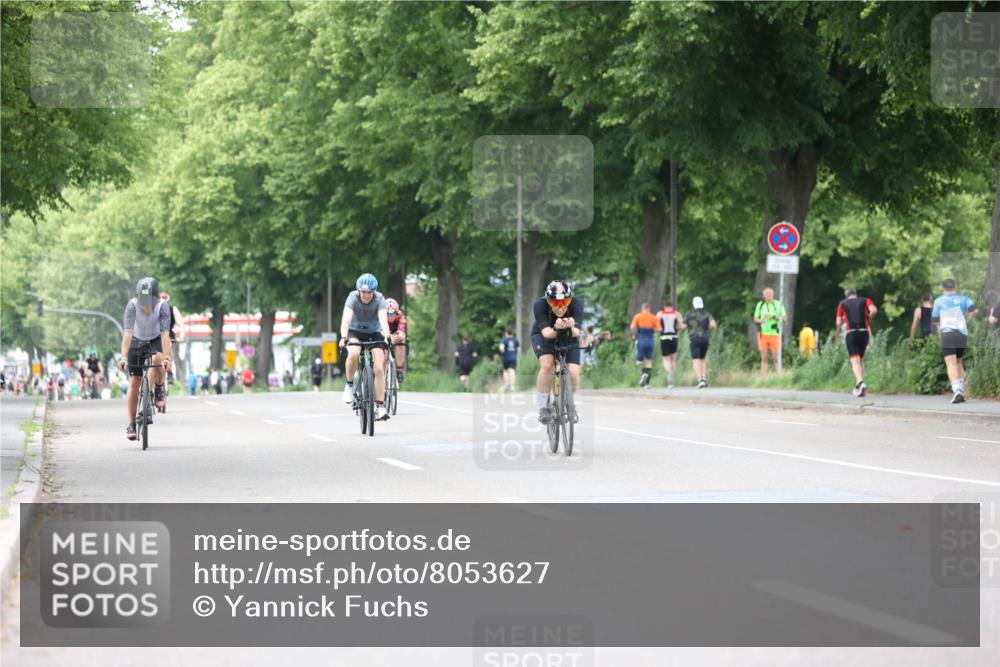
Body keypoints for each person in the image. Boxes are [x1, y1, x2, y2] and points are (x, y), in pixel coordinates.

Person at [115, 277, 172, 440]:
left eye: (149, 302)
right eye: (143, 301)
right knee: (134, 381)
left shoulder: (163, 306)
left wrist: (167, 357)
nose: (146, 306)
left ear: (156, 299)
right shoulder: (132, 305)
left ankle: (159, 388)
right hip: (137, 339)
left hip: (155, 339)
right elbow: (127, 333)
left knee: (158, 359)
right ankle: (132, 423)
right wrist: (124, 357)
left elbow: (165, 334)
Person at [339, 273, 391, 420]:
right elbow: (346, 319)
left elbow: (383, 319)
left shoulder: (380, 299)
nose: (366, 295)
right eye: (363, 292)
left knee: (379, 367)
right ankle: (349, 386)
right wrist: (344, 337)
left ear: (373, 291)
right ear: (358, 291)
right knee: (354, 353)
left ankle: (380, 406)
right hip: (354, 332)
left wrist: (387, 335)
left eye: (369, 292)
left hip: (374, 332)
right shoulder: (352, 297)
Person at [532, 280, 583, 424]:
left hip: (568, 334)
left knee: (573, 372)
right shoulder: (539, 305)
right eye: (555, 303)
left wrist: (570, 327)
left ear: (570, 300)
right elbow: (547, 334)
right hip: (544, 334)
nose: (560, 308)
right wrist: (556, 327)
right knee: (548, 365)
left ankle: (569, 401)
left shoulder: (577, 303)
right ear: (548, 300)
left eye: (565, 302)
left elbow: (577, 332)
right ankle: (543, 407)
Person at [932, 278, 977, 404]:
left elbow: (935, 319)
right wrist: (967, 321)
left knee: (951, 363)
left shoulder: (938, 301)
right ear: (954, 286)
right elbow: (974, 310)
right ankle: (962, 389)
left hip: (947, 334)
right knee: (958, 361)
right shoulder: (964, 298)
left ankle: (957, 390)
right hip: (962, 334)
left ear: (943, 288)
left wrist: (940, 325)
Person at [834, 289, 878, 397]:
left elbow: (838, 322)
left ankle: (860, 383)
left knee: (854, 360)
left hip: (851, 333)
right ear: (856, 295)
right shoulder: (865, 300)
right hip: (864, 333)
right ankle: (859, 385)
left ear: (846, 296)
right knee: (861, 359)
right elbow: (874, 310)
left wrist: (844, 322)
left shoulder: (842, 304)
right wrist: (868, 317)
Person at [681, 296, 717, 388]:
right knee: (703, 359)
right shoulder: (707, 314)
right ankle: (704, 378)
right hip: (705, 338)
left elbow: (683, 327)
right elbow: (713, 325)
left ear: (693, 304)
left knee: (696, 360)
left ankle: (700, 380)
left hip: (694, 338)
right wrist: (705, 326)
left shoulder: (689, 314)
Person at [753, 287, 787, 377]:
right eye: (767, 294)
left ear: (773, 294)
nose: (768, 296)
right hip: (763, 334)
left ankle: (778, 376)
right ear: (764, 295)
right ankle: (765, 376)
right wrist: (762, 320)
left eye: (770, 294)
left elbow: (784, 318)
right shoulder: (760, 305)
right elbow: (756, 319)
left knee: (776, 357)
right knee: (764, 357)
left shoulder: (778, 304)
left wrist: (773, 316)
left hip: (774, 334)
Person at [630, 302, 661, 388]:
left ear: (642, 308)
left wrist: (634, 334)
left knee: (639, 361)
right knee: (649, 362)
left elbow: (632, 327)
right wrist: (652, 330)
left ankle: (643, 374)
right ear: (649, 309)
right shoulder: (653, 317)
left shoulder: (638, 316)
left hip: (641, 339)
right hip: (650, 340)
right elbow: (659, 329)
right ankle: (647, 383)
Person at [656, 301, 682, 387]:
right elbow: (681, 326)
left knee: (666, 359)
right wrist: (677, 328)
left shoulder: (660, 314)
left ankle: (669, 373)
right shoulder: (676, 313)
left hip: (664, 337)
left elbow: (657, 327)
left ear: (664, 306)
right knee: (673, 359)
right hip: (674, 337)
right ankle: (672, 380)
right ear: (672, 306)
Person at [385, 297, 408, 384]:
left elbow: (401, 334)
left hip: (395, 334)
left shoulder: (401, 316)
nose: (391, 317)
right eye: (388, 314)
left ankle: (399, 368)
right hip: (384, 333)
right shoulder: (379, 316)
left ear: (397, 312)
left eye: (393, 314)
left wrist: (394, 337)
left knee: (401, 341)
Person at [499, 327, 519, 391]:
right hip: (513, 358)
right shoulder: (515, 340)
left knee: (505, 371)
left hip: (506, 358)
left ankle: (507, 383)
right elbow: (519, 349)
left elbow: (501, 348)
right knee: (512, 371)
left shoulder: (504, 340)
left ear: (506, 332)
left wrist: (502, 351)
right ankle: (512, 385)